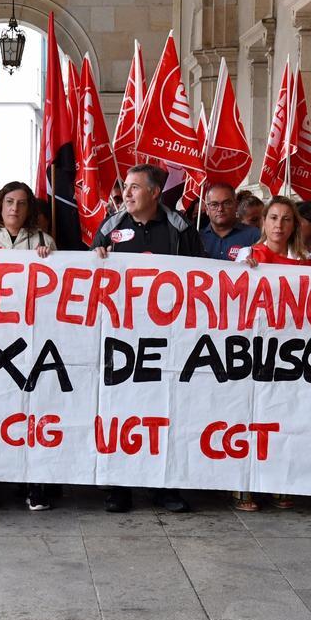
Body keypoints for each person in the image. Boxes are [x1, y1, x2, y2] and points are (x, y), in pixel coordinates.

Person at [93, 164, 203, 514]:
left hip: (167, 337)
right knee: (120, 411)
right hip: (121, 337)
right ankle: (118, 486)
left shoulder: (180, 227)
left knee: (165, 410)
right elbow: (89, 276)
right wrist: (97, 261)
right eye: (126, 187)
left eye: (135, 187)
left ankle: (164, 486)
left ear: (155, 193)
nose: (127, 193)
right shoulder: (110, 227)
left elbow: (201, 277)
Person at [0, 181, 56, 512]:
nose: (14, 208)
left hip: (32, 339)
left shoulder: (45, 242)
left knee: (33, 410)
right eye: (8, 202)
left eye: (21, 203)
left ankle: (35, 484)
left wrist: (51, 261)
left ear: (29, 209)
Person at [232, 197, 311, 511]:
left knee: (282, 416)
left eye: (286, 219)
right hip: (253, 350)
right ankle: (244, 485)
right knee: (249, 415)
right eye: (274, 218)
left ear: (294, 226)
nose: (279, 225)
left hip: (289, 353)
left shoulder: (306, 264)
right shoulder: (249, 257)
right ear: (263, 222)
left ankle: (279, 481)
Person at [199, 183, 259, 261]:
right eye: (214, 204)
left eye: (226, 203)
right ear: (207, 209)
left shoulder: (255, 236)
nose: (220, 209)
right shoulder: (197, 238)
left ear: (236, 205)